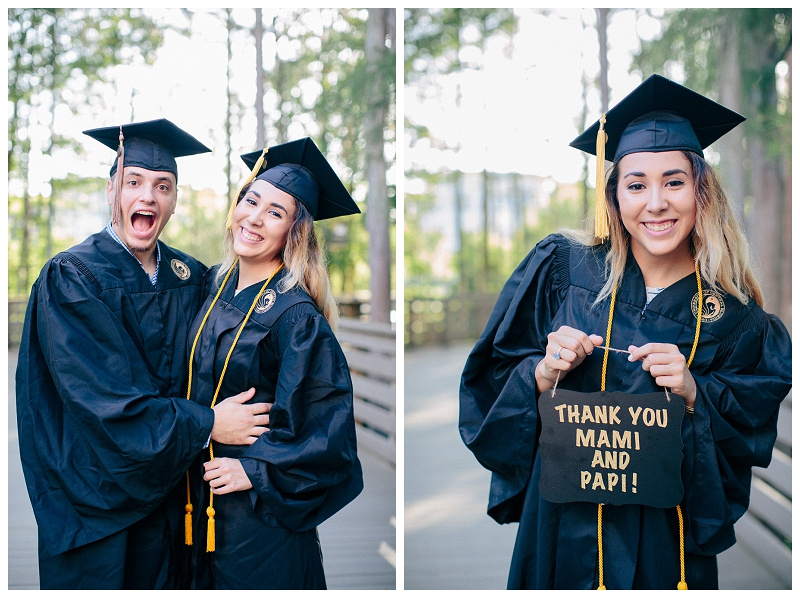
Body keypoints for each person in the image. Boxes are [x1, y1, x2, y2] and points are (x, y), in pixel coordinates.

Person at [459, 74, 792, 590]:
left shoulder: (736, 319)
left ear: (702, 192)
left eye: (674, 182)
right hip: (562, 531)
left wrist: (692, 393)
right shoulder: (563, 270)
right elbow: (489, 382)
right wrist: (542, 373)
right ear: (614, 198)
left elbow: (743, 442)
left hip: (667, 545)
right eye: (636, 184)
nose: (655, 203)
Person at [16, 119, 272, 590]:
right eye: (133, 182)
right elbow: (105, 403)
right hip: (97, 505)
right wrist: (208, 423)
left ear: (174, 202)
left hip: (175, 499)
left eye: (163, 186)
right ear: (111, 189)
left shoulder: (190, 277)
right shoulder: (72, 277)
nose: (147, 197)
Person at [184, 137, 364, 589]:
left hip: (258, 517)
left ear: (294, 233)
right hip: (195, 500)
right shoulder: (214, 285)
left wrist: (253, 470)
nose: (255, 218)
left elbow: (329, 430)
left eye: (276, 213)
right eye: (251, 200)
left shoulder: (296, 316)